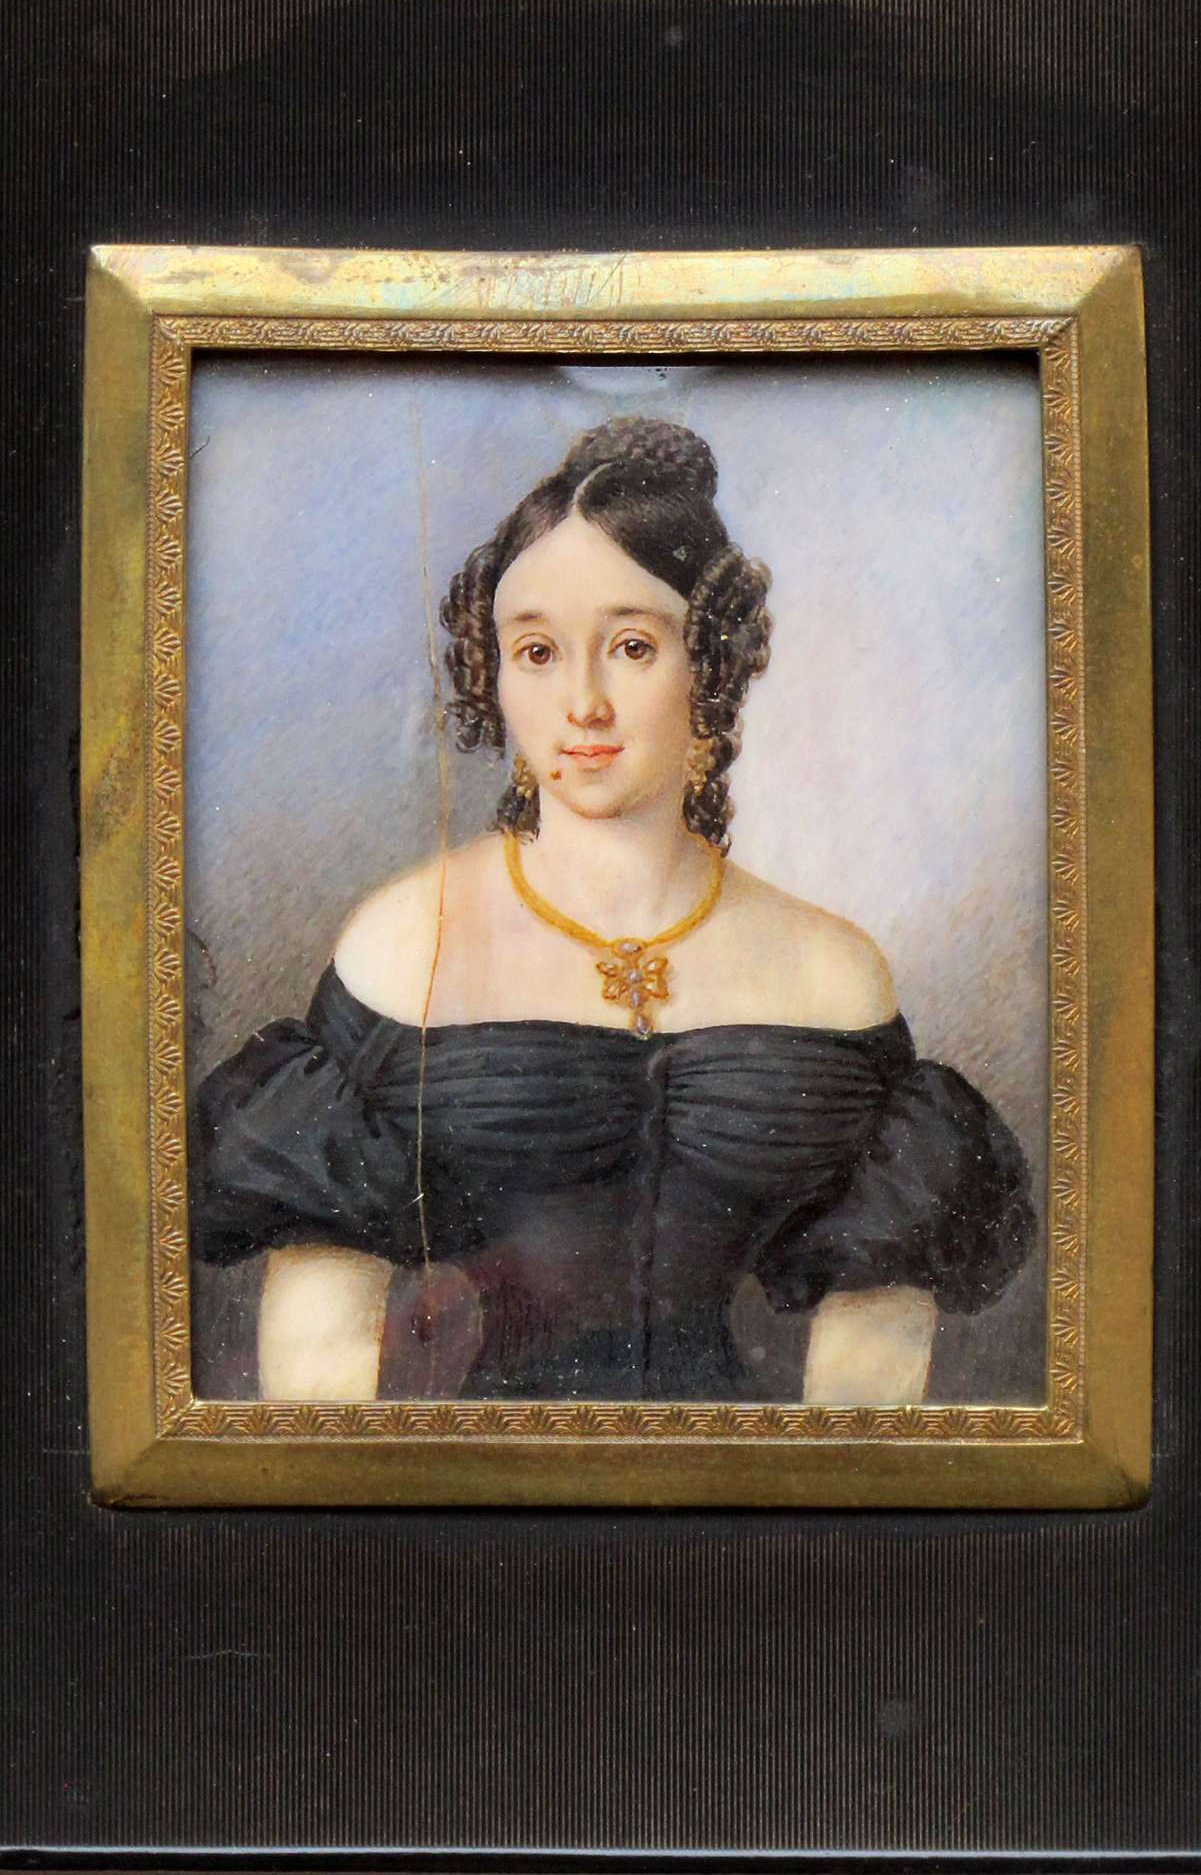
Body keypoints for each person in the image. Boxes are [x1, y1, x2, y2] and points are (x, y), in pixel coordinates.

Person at [192, 416, 1035, 1404]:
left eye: (631, 645)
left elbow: (870, 1368)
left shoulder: (833, 971)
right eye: (537, 650)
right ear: (493, 672)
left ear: (708, 663)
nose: (582, 702)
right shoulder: (401, 945)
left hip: (746, 1480)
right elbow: (321, 1362)